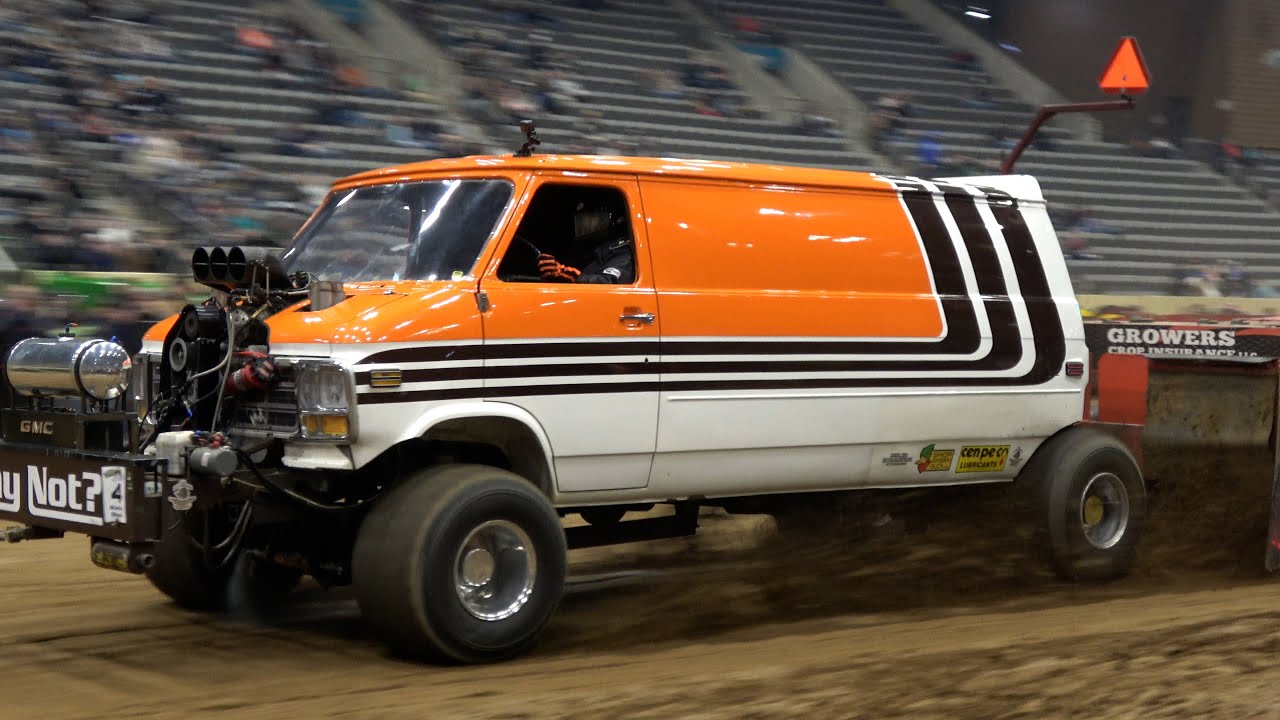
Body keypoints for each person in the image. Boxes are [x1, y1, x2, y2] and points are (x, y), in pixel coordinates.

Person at [536, 203, 633, 284]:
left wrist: (576, 278)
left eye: (590, 216)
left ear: (610, 219)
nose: (583, 222)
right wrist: (557, 272)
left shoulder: (622, 249)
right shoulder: (588, 247)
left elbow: (610, 282)